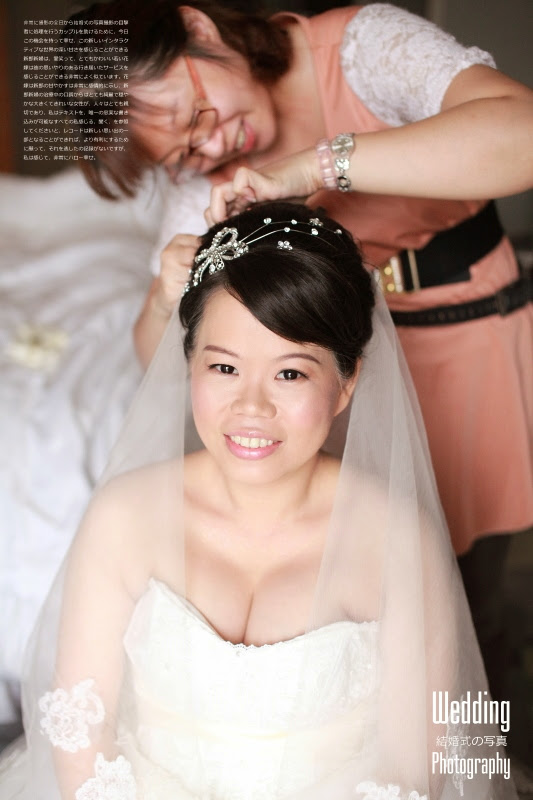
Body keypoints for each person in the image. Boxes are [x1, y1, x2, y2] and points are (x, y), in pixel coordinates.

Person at [57, 0, 532, 696]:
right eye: (183, 154)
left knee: (467, 599)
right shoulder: (207, 184)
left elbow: (521, 135)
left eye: (196, 115)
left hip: (468, 338)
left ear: (200, 28)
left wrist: (313, 168)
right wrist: (162, 298)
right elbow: (159, 365)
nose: (210, 148)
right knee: (355, 610)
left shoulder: (362, 48)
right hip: (313, 388)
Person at [0, 203, 515, 798]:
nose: (251, 406)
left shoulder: (398, 537)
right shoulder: (123, 515)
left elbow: (413, 768)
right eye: (224, 367)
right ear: (189, 362)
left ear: (346, 382)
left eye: (290, 374)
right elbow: (78, 731)